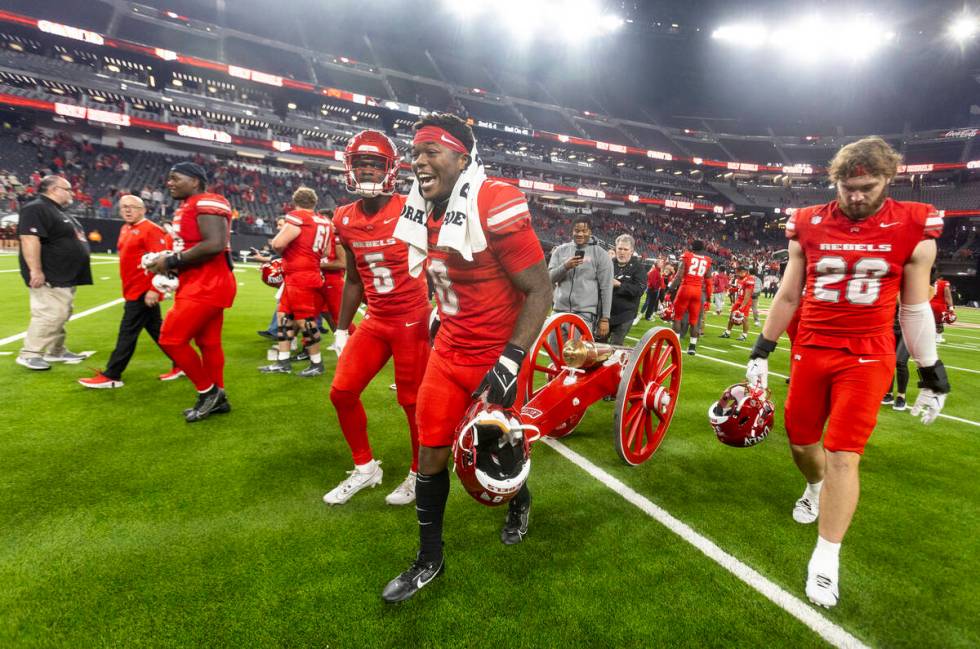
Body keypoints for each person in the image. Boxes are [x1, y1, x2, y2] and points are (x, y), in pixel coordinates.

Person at [745, 136, 949, 608]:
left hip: (868, 352)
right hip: (812, 346)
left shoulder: (913, 225)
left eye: (868, 186)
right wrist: (761, 349)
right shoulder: (808, 223)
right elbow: (789, 295)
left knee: (844, 453)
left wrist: (931, 373)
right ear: (835, 180)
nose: (856, 196)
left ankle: (826, 557)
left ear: (888, 180)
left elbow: (914, 310)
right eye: (847, 186)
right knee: (800, 440)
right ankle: (814, 488)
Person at [383, 114, 552, 603]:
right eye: (415, 152)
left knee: (498, 453)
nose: (419, 161)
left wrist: (511, 359)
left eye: (432, 150)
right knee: (431, 451)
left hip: (494, 355)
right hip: (448, 350)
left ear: (462, 157)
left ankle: (520, 501)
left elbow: (539, 291)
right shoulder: (422, 206)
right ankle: (429, 557)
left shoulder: (492, 200)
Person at [322, 129, 430, 507]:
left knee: (413, 402)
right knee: (342, 392)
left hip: (413, 320)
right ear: (349, 167)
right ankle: (366, 468)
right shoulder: (343, 217)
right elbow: (353, 277)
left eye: (375, 163)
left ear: (390, 168)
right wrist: (340, 328)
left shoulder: (412, 206)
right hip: (377, 318)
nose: (367, 170)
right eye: (361, 163)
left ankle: (421, 473)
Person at [144, 162, 236, 422]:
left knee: (171, 339)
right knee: (208, 343)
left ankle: (208, 393)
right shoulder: (189, 205)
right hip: (201, 281)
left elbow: (215, 244)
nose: (169, 183)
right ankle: (219, 397)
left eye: (175, 178)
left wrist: (171, 261)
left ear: (195, 181)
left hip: (207, 283)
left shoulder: (207, 201)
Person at [78, 195, 180, 388]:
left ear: (143, 210)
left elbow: (163, 261)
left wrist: (154, 290)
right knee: (159, 332)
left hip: (142, 291)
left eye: (132, 207)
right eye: (124, 207)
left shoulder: (151, 230)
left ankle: (112, 375)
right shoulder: (126, 227)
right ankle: (182, 363)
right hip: (132, 288)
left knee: (127, 333)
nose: (127, 210)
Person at [16, 175, 92, 370]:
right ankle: (30, 353)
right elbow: (29, 239)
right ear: (53, 189)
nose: (71, 193)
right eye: (67, 189)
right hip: (51, 273)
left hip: (64, 274)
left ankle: (56, 350)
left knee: (62, 312)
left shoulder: (57, 210)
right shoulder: (37, 207)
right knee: (51, 313)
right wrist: (36, 270)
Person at [258, 187, 330, 377]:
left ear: (295, 201)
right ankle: (283, 361)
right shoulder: (324, 222)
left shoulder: (298, 217)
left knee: (305, 321)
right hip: (308, 272)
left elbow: (277, 243)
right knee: (283, 317)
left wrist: (290, 255)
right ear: (314, 203)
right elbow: (325, 251)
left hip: (300, 276)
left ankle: (317, 363)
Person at [548, 218, 612, 339]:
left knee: (576, 357)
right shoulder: (560, 250)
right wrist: (565, 266)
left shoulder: (601, 254)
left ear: (590, 231)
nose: (580, 234)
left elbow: (606, 288)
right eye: (577, 230)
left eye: (584, 230)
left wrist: (604, 318)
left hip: (584, 315)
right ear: (572, 231)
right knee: (555, 356)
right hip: (559, 311)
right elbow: (549, 278)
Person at [668, 240, 711, 355]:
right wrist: (709, 298)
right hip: (698, 291)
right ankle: (692, 347)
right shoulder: (707, 260)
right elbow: (708, 279)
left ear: (692, 247)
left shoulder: (687, 256)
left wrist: (670, 289)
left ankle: (675, 344)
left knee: (677, 317)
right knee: (695, 321)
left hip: (686, 288)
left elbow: (679, 276)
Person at [608, 235, 646, 344]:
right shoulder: (609, 263)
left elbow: (639, 290)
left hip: (625, 315)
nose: (622, 252)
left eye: (625, 249)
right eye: (619, 248)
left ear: (631, 251)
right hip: (606, 313)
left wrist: (620, 285)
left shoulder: (639, 268)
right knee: (598, 345)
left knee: (615, 346)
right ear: (615, 248)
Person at [720, 266, 755, 341]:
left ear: (742, 271)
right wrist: (732, 289)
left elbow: (748, 295)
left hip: (745, 302)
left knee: (744, 318)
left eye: (737, 272)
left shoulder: (749, 279)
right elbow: (740, 289)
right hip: (738, 300)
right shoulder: (741, 279)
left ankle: (744, 335)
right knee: (731, 316)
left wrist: (743, 306)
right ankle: (727, 332)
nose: (737, 274)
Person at [929, 272, 953, 343]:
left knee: (930, 321)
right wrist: (951, 308)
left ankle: (929, 336)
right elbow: (947, 296)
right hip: (940, 305)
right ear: (941, 278)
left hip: (929, 303)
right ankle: (938, 337)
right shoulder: (944, 283)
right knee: (939, 322)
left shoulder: (928, 282)